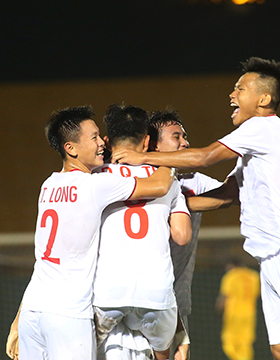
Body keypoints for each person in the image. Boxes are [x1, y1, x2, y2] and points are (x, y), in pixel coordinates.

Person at [111, 57, 280, 360]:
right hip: (271, 258)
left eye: (240, 88)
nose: (232, 94)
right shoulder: (256, 142)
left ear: (263, 99)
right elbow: (228, 194)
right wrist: (165, 207)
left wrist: (143, 158)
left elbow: (205, 157)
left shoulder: (262, 128)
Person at [6, 105, 175, 360]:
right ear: (70, 148)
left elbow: (43, 262)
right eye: (94, 137)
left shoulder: (48, 186)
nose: (102, 144)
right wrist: (166, 157)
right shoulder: (96, 184)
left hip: (33, 310)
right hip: (68, 315)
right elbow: (161, 185)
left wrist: (17, 321)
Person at [92, 104, 192, 360]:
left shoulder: (96, 177)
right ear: (147, 141)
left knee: (84, 350)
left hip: (107, 291)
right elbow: (182, 235)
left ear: (106, 140)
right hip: (155, 291)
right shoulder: (166, 179)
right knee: (163, 353)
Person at [215, 258, 260, 360]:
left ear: (231, 265)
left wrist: (219, 306)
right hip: (249, 314)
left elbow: (224, 297)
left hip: (233, 314)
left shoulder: (231, 276)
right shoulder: (254, 276)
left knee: (228, 342)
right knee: (246, 343)